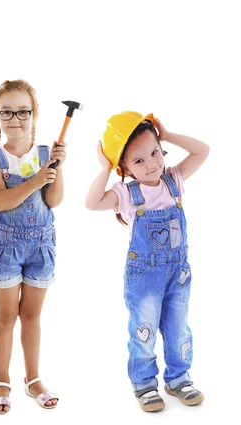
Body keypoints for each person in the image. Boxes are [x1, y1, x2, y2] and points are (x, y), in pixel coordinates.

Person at [85, 111, 209, 412]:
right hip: (144, 278)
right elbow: (91, 203)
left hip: (178, 273)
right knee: (144, 328)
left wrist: (165, 134)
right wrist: (104, 167)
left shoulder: (173, 180)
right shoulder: (126, 194)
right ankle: (143, 383)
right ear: (124, 167)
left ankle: (178, 377)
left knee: (179, 327)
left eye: (154, 152)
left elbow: (202, 150)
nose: (151, 163)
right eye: (138, 161)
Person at [0, 80, 64, 414]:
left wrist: (58, 170)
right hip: (6, 245)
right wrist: (35, 179)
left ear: (34, 115)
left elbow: (55, 200)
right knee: (6, 317)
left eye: (22, 112)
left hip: (42, 245)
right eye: (6, 112)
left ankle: (33, 379)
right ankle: (2, 379)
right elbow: (0, 201)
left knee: (32, 316)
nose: (14, 119)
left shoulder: (46, 154)